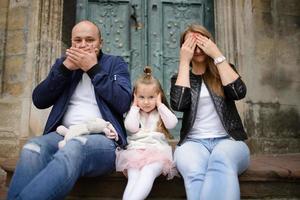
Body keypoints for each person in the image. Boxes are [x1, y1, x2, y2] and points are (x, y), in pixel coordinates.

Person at [7, 20, 132, 200]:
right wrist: (64, 70)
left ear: (100, 43)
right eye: (77, 40)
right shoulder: (64, 65)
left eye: (90, 40)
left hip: (103, 139)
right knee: (32, 148)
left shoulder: (115, 63)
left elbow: (123, 102)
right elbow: (39, 100)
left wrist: (94, 69)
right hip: (62, 134)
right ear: (71, 43)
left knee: (74, 147)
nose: (83, 45)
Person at [170, 24, 250, 200]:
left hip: (229, 140)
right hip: (192, 143)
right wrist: (184, 61)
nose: (198, 49)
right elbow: (179, 104)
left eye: (201, 43)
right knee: (194, 172)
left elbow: (238, 92)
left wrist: (217, 55)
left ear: (210, 43)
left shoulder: (224, 70)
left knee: (221, 160)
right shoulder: (180, 77)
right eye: (191, 45)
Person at [116, 67, 178, 200]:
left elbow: (172, 123)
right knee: (133, 177)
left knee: (147, 172)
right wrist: (134, 107)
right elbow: (130, 127)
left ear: (159, 96)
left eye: (151, 97)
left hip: (158, 153)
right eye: (141, 97)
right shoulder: (135, 113)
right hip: (135, 153)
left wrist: (160, 105)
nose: (146, 102)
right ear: (135, 97)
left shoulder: (160, 112)